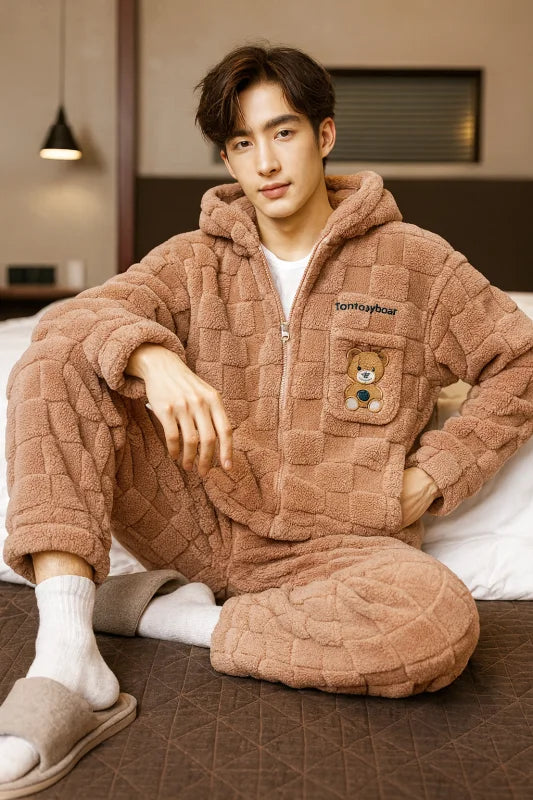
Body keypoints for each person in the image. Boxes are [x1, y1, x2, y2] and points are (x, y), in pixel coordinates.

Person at [2, 42, 533, 788]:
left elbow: (520, 361)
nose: (266, 163)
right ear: (227, 158)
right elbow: (67, 321)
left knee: (436, 622)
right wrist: (152, 358)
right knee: (56, 358)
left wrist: (434, 476)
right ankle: (64, 656)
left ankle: (167, 617)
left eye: (282, 133)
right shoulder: (192, 261)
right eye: (242, 144)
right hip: (193, 514)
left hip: (337, 545)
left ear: (324, 134)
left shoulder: (416, 265)